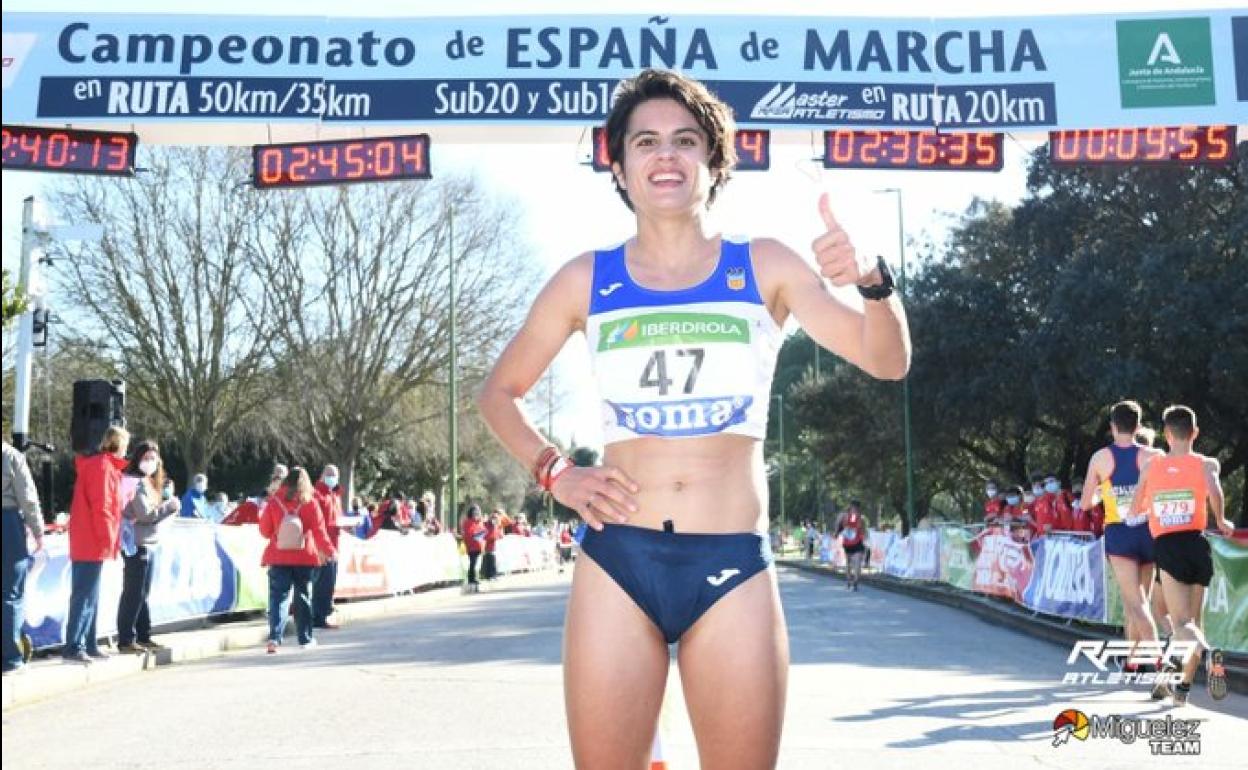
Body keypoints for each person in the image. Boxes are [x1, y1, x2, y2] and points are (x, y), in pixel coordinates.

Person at [477, 68, 910, 768]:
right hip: (619, 562)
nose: (666, 155)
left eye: (685, 141)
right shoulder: (585, 279)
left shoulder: (764, 264)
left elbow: (885, 360)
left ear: (715, 161)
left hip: (730, 562)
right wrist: (556, 472)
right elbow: (499, 391)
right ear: (618, 166)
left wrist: (872, 281)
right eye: (645, 142)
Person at [1133, 405, 1233, 705]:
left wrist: (1139, 509)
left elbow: (1137, 503)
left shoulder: (1153, 465)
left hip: (1168, 546)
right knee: (1188, 620)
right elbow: (1214, 491)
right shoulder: (1206, 463)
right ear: (1196, 433)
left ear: (1165, 434)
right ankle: (1178, 692)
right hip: (1197, 544)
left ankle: (1210, 653)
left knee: (1181, 624)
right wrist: (1222, 519)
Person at [1079, 400, 1164, 676]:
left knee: (1136, 602)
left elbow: (1084, 504)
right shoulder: (1155, 456)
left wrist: (1104, 493)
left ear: (1113, 426)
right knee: (1138, 600)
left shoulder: (1100, 458)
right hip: (1148, 531)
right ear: (1138, 426)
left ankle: (1157, 659)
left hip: (1120, 533)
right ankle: (1132, 660)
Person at [64, 425, 130, 664]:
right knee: (85, 594)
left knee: (89, 593)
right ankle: (75, 645)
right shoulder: (104, 467)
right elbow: (102, 507)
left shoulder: (99, 465)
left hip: (87, 537)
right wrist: (107, 540)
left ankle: (87, 642)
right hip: (92, 538)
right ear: (118, 444)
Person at [258, 467, 336, 654]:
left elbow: (264, 531)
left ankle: (275, 638)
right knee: (303, 598)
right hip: (304, 557)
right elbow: (319, 532)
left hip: (278, 557)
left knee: (278, 598)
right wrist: (329, 551)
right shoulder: (310, 502)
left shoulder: (274, 501)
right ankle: (305, 639)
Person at [115, 441, 181, 654]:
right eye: (146, 458)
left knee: (142, 594)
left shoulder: (148, 482)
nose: (150, 463)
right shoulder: (134, 483)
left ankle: (143, 635)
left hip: (147, 543)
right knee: (133, 593)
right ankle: (126, 638)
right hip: (136, 544)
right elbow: (145, 515)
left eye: (153, 458)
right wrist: (169, 507)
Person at [2, 441, 44, 675]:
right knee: (10, 592)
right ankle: (11, 658)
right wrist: (38, 531)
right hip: (6, 522)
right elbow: (27, 496)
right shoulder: (11, 455)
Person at [312, 465, 342, 630]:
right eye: (329, 474)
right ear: (322, 475)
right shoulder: (317, 494)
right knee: (322, 582)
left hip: (334, 543)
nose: (332, 478)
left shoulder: (335, 495)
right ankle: (318, 616)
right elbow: (318, 521)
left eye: (335, 475)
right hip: (322, 545)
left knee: (329, 581)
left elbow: (337, 517)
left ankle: (324, 613)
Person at [835, 502, 868, 590]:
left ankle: (851, 582)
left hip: (851, 543)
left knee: (851, 563)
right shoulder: (854, 516)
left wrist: (837, 533)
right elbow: (856, 526)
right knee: (853, 563)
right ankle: (852, 581)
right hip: (853, 542)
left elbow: (838, 527)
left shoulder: (843, 515)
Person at [461, 504, 485, 593]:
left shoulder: (479, 522)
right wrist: (477, 534)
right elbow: (468, 534)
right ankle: (471, 580)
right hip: (472, 546)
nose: (476, 514)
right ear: (471, 513)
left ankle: (474, 578)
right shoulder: (468, 522)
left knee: (476, 564)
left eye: (477, 512)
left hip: (479, 546)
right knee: (472, 563)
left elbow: (483, 531)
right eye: (474, 512)